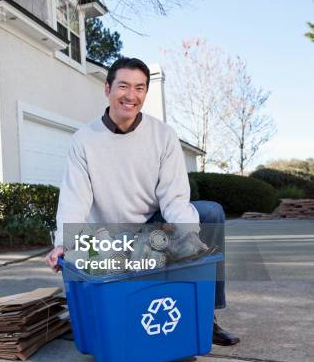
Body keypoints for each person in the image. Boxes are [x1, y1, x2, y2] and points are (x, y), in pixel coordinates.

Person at [45, 57, 240, 346]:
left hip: (152, 225)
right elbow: (75, 196)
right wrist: (64, 241)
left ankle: (205, 316)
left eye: (140, 88)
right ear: (108, 88)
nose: (131, 95)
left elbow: (174, 197)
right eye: (123, 86)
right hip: (109, 234)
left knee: (210, 213)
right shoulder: (84, 140)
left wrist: (192, 236)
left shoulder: (163, 135)